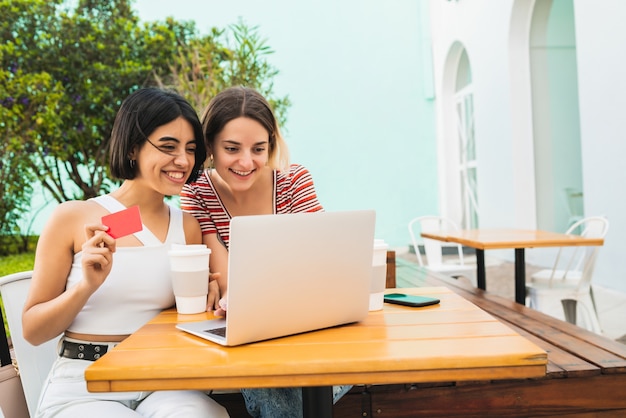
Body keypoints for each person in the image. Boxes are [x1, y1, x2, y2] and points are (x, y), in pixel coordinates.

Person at [22, 88, 229, 417]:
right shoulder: (73, 217)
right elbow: (33, 331)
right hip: (84, 384)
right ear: (133, 147)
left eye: (191, 149)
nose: (183, 160)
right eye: (168, 146)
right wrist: (86, 286)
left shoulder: (187, 225)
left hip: (163, 379)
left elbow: (194, 310)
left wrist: (209, 294)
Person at [180, 86, 349, 418]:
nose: (246, 162)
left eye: (259, 148)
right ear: (210, 145)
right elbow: (231, 287)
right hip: (251, 332)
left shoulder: (293, 180)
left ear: (271, 145)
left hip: (308, 325)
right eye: (232, 148)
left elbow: (321, 262)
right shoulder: (198, 190)